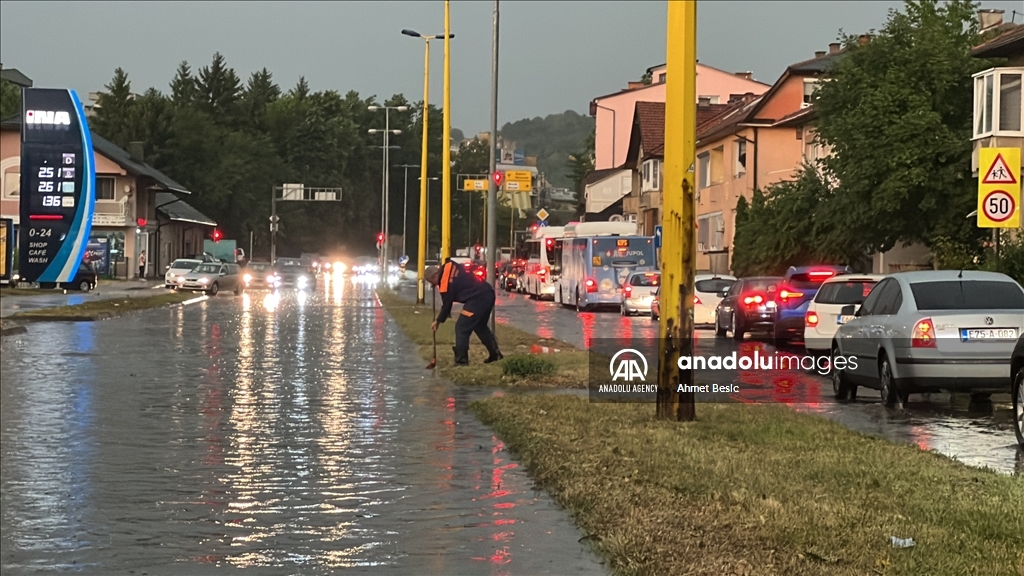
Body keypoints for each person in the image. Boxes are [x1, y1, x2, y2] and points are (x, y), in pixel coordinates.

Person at [425, 260, 503, 365]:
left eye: (431, 282)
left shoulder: (444, 283)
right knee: (480, 326)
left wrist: (438, 321)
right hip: (488, 293)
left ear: (435, 276)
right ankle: (496, 355)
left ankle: (461, 361)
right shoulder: (449, 266)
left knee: (462, 328)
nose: (433, 285)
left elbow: (447, 305)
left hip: (478, 299)